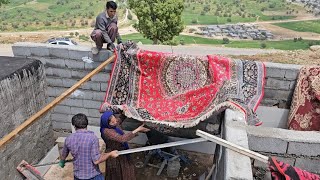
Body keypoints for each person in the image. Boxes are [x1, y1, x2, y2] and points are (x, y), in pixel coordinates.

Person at [59, 113, 119, 180]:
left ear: (74, 126)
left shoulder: (68, 139)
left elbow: (63, 155)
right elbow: (96, 160)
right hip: (93, 176)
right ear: (87, 124)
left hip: (78, 176)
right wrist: (110, 154)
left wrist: (62, 161)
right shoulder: (93, 138)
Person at [100, 111, 150, 180]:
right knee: (117, 173)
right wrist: (138, 129)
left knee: (126, 169)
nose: (115, 123)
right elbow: (122, 138)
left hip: (122, 151)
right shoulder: (107, 131)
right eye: (112, 122)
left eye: (115, 120)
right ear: (107, 123)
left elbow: (120, 118)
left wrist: (126, 111)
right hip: (114, 154)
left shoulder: (114, 123)